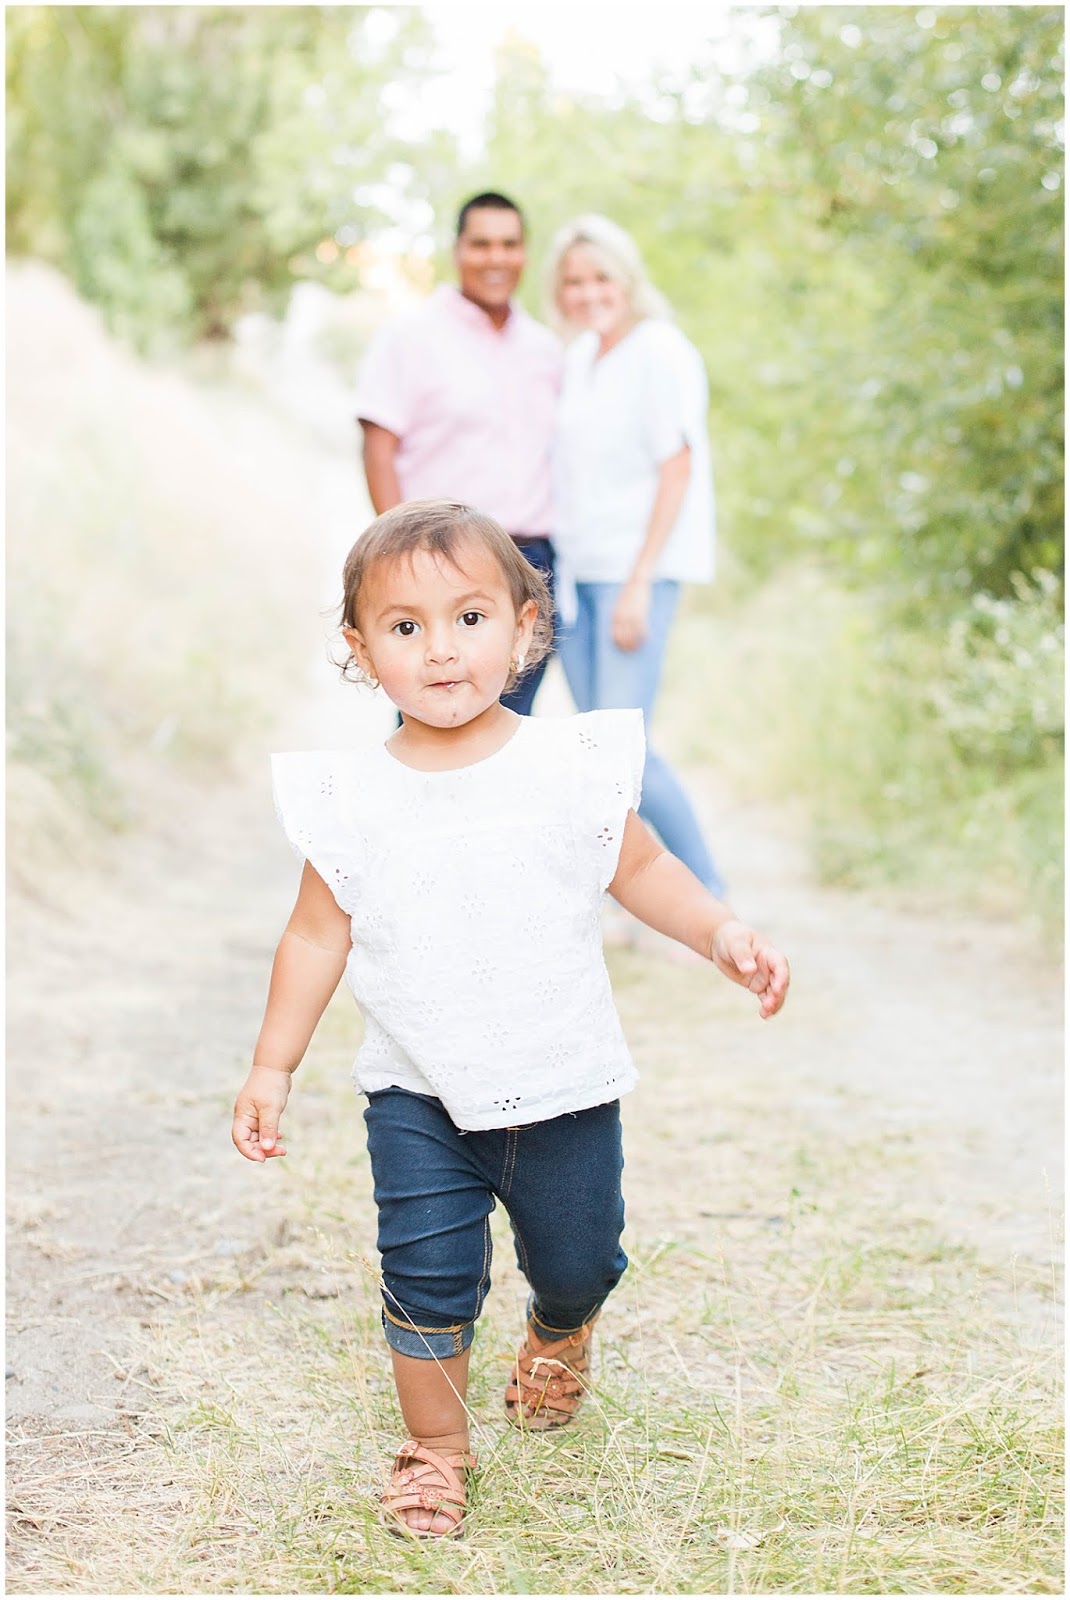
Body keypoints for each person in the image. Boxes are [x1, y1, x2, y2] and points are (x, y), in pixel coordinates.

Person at [231, 499, 790, 1540]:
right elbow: (313, 937)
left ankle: (560, 1329)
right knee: (425, 1276)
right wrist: (273, 1066)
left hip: (561, 1081)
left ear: (526, 626)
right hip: (417, 1092)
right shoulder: (350, 796)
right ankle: (435, 1452)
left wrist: (717, 931)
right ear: (360, 648)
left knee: (580, 1260)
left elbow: (643, 869)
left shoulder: (567, 766)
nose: (441, 649)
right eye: (406, 627)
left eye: (470, 618)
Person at [546, 213, 728, 895]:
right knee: (599, 757)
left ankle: (709, 898)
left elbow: (676, 467)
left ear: (627, 280)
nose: (588, 293)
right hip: (577, 575)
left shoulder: (660, 350)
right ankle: (641, 901)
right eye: (573, 282)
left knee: (627, 755)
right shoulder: (579, 359)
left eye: (601, 278)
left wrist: (639, 582)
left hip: (631, 574)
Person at [354, 191, 561, 715]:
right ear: (457, 250)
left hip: (532, 561)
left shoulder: (544, 349)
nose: (496, 258)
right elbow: (378, 449)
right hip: (439, 559)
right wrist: (401, 558)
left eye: (509, 244)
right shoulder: (410, 337)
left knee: (513, 728)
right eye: (482, 244)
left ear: (525, 252)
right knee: (434, 719)